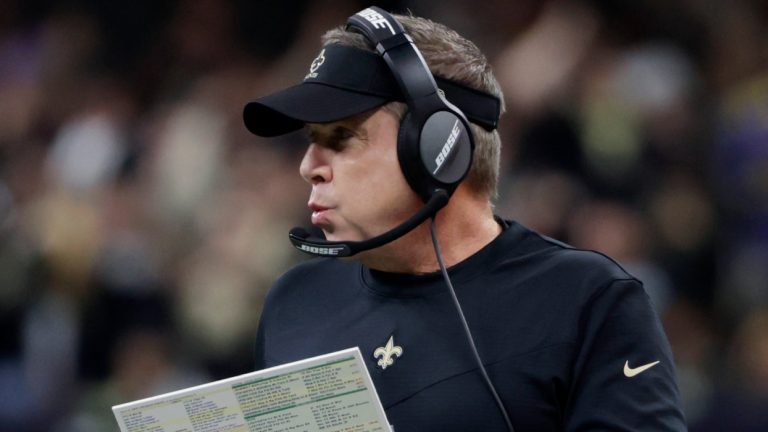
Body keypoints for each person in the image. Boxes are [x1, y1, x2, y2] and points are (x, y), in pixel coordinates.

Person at [243, 6, 686, 431]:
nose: (308, 166)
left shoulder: (588, 299)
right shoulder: (294, 302)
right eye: (311, 140)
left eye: (340, 137)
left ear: (438, 147)